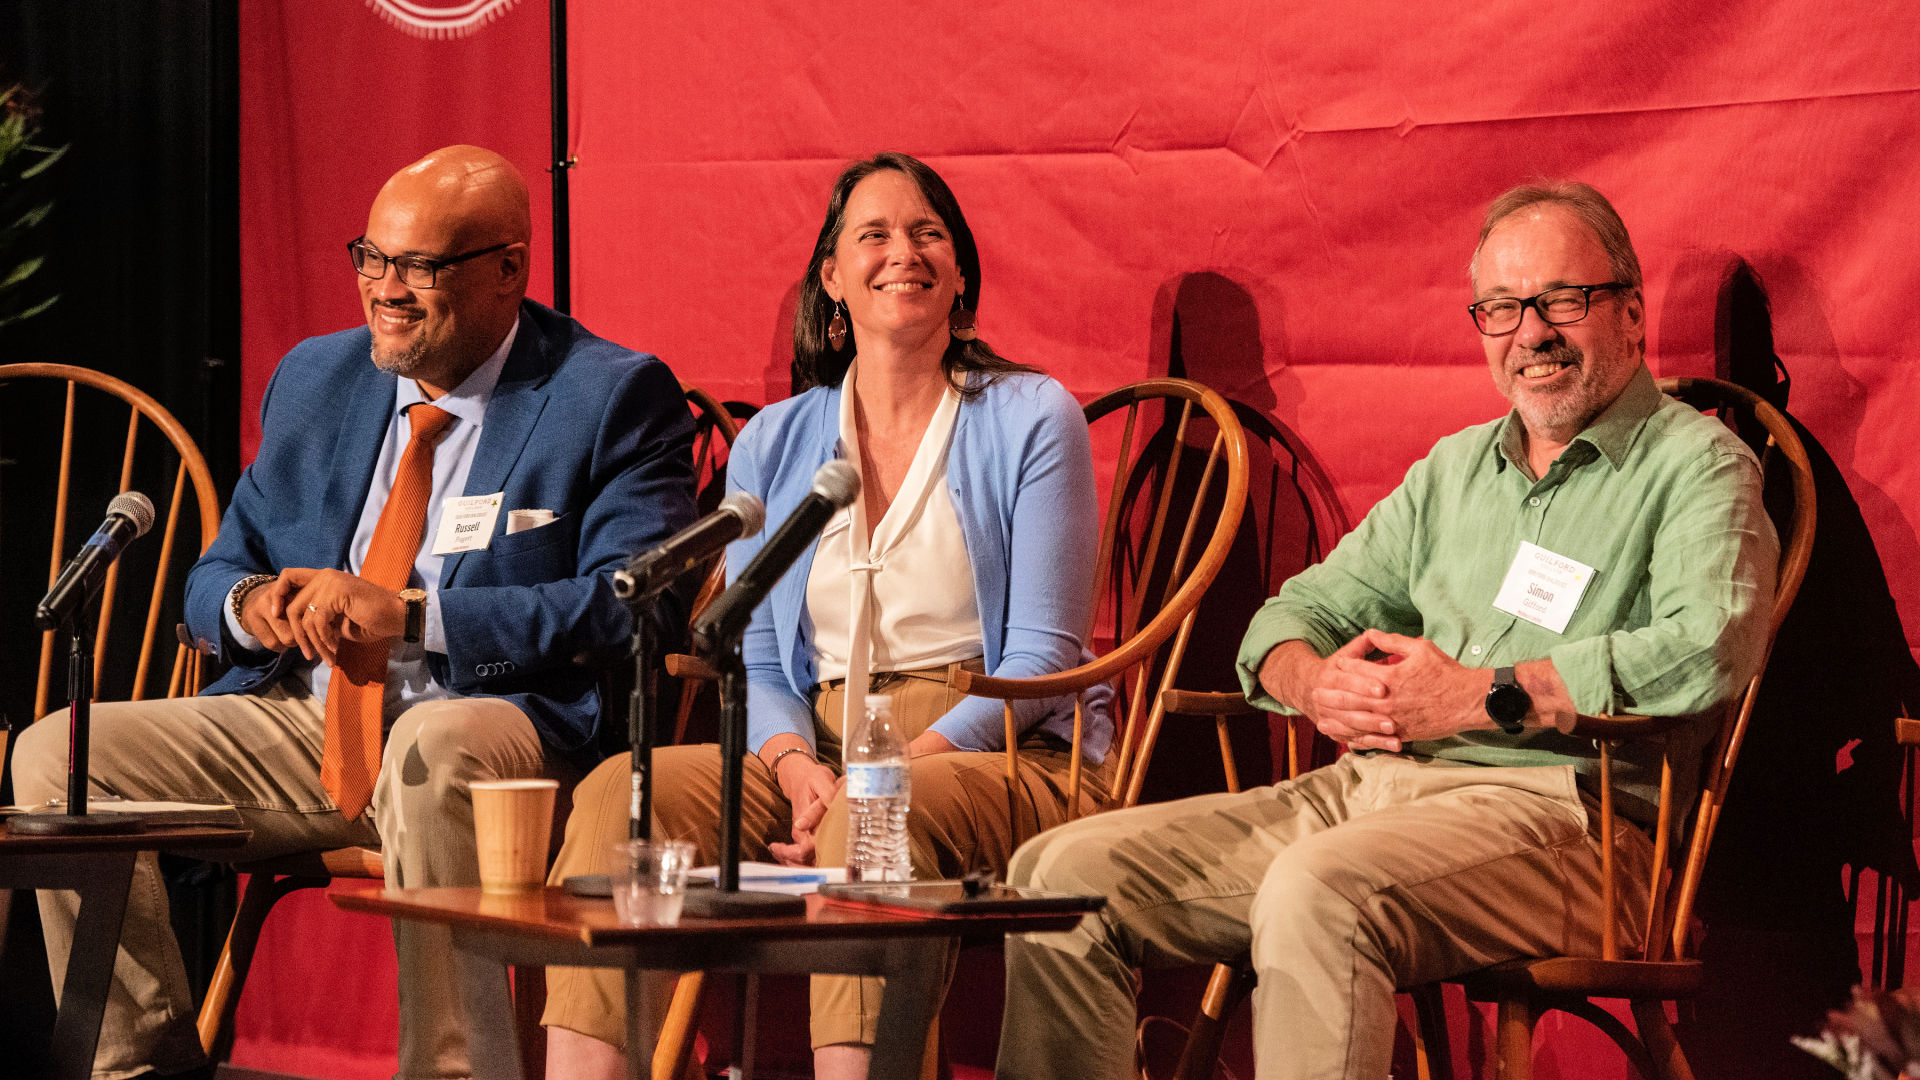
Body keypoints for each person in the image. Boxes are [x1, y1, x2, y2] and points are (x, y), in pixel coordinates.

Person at [993, 181, 1781, 1080]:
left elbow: (1708, 644)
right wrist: (1312, 682)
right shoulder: (1455, 471)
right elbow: (1292, 617)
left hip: (1578, 826)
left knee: (1319, 891)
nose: (1531, 334)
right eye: (1501, 309)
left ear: (1631, 312)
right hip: (1372, 795)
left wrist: (1485, 695)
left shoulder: (1696, 463)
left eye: (1563, 300)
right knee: (1054, 877)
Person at [10, 145, 697, 1080]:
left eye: (420, 266)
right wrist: (257, 607)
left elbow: (628, 606)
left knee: (433, 743)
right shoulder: (318, 377)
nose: (386, 289)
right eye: (371, 258)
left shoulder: (608, 393)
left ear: (509, 270)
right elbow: (214, 576)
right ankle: (139, 1068)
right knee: (58, 756)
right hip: (309, 719)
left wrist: (414, 617)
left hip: (505, 731)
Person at [541, 151, 1110, 1080]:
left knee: (872, 817)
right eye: (874, 235)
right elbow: (759, 653)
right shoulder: (775, 439)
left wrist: (876, 777)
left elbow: (1044, 655)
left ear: (960, 272)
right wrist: (800, 765)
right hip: (814, 745)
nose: (905, 251)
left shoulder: (1030, 414)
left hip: (996, 748)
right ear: (832, 280)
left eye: (929, 233)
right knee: (621, 796)